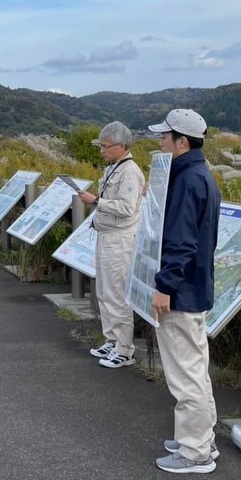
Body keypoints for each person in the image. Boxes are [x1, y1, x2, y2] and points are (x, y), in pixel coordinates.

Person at [147, 109, 221, 474]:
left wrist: (165, 286)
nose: (160, 142)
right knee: (196, 367)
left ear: (182, 141)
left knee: (185, 373)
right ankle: (201, 438)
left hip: (182, 291)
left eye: (165, 137)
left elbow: (180, 241)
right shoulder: (199, 175)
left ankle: (195, 452)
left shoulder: (188, 179)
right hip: (195, 288)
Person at [77, 121, 144, 369]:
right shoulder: (113, 168)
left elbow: (127, 208)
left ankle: (125, 349)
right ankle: (112, 339)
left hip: (120, 239)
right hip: (106, 235)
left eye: (105, 146)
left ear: (121, 145)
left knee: (116, 294)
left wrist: (96, 201)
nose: (101, 150)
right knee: (104, 291)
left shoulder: (130, 171)